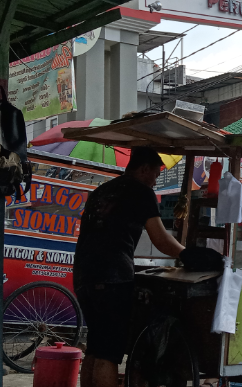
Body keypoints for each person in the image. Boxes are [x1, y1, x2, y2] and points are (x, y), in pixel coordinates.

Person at [73, 147, 185, 387]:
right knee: (109, 353)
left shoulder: (102, 190)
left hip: (84, 275)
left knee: (94, 347)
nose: (155, 181)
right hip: (113, 277)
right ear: (143, 169)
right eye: (155, 174)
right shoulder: (141, 192)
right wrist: (188, 254)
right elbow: (161, 239)